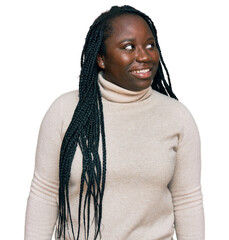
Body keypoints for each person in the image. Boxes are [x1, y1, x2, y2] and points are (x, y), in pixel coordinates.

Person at [24, 5, 205, 240]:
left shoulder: (177, 117)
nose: (144, 55)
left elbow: (187, 201)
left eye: (150, 45)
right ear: (101, 58)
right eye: (128, 47)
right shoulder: (65, 111)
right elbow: (45, 193)